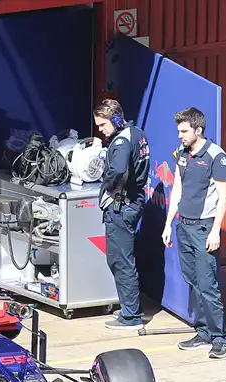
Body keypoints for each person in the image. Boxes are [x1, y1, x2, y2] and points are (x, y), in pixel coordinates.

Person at [162, 107, 226, 359]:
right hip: (184, 225)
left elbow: (224, 196)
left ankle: (220, 338)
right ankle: (203, 332)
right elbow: (177, 189)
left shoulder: (216, 156)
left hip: (204, 227)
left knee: (208, 284)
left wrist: (215, 231)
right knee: (193, 280)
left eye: (183, 131)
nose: (179, 135)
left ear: (197, 130)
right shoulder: (181, 153)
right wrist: (169, 223)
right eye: (178, 130)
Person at [93, 99, 151, 330]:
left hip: (122, 206)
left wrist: (108, 188)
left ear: (116, 120)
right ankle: (130, 307)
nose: (100, 129)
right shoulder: (137, 133)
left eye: (102, 124)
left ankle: (130, 316)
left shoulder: (121, 142)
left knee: (120, 260)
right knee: (124, 259)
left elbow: (117, 171)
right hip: (133, 202)